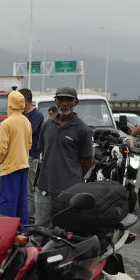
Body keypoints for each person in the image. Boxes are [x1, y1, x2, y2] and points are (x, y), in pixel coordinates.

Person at [34, 86, 94, 226]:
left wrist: (73, 177)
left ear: (76, 103)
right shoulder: (47, 125)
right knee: (40, 229)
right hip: (45, 188)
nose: (64, 103)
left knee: (65, 230)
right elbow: (44, 152)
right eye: (61, 99)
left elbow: (87, 161)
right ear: (55, 102)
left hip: (69, 191)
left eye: (69, 100)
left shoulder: (83, 130)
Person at [0, 90, 31, 224]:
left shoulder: (6, 124)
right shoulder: (26, 121)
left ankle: (6, 232)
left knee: (7, 202)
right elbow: (29, 143)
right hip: (23, 165)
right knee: (22, 202)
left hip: (10, 168)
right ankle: (23, 232)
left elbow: (1, 149)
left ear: (10, 103)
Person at [20, 88, 44, 221]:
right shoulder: (20, 114)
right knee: (21, 187)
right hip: (20, 155)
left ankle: (30, 218)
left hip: (31, 155)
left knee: (28, 188)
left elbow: (29, 131)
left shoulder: (37, 115)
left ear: (24, 100)